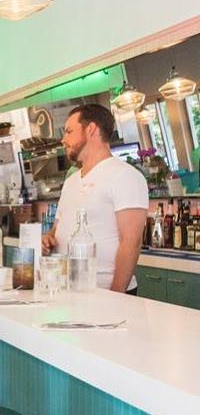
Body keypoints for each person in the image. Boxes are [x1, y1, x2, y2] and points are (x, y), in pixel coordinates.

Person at [43, 103, 148, 293]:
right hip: (68, 288)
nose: (63, 140)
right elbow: (57, 229)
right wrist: (48, 239)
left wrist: (116, 295)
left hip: (105, 291)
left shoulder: (125, 175)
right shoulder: (71, 181)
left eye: (68, 132)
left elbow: (131, 242)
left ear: (90, 129)